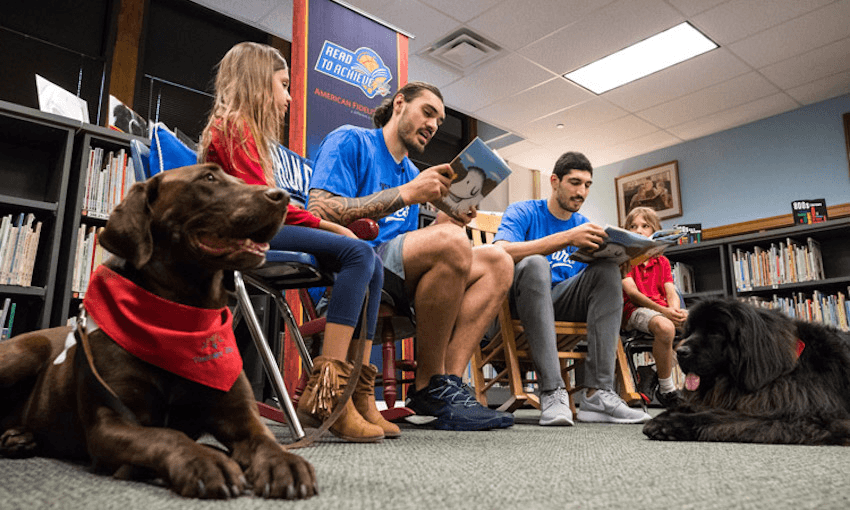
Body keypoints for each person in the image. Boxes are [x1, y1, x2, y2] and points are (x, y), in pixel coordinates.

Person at [198, 42, 395, 442]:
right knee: (358, 251)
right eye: (284, 86)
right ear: (256, 82)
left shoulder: (245, 132)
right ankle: (329, 394)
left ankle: (358, 393)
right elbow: (265, 204)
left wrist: (326, 226)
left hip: (260, 227)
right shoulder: (232, 125)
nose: (289, 97)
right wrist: (330, 226)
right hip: (245, 233)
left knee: (370, 260)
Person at [307, 81, 515, 431]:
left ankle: (446, 383)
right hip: (348, 269)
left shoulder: (411, 173)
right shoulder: (352, 140)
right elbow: (318, 210)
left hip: (395, 276)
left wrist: (454, 213)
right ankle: (429, 384)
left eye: (440, 121)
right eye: (428, 112)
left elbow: (418, 244)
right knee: (450, 242)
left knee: (499, 261)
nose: (434, 125)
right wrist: (407, 195)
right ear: (399, 104)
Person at [493, 151, 652, 426]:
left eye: (587, 185)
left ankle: (597, 394)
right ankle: (552, 391)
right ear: (554, 181)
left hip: (562, 304)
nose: (582, 192)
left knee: (606, 270)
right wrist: (565, 238)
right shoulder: (523, 211)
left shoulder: (585, 227)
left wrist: (619, 261)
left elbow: (592, 279)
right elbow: (500, 251)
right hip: (523, 301)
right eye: (575, 183)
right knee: (535, 264)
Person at [621, 206, 686, 408]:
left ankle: (652, 372)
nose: (638, 230)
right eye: (633, 226)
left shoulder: (662, 261)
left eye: (645, 226)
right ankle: (667, 390)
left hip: (662, 311)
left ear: (655, 230)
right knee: (666, 327)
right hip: (633, 312)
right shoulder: (624, 260)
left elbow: (671, 292)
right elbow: (633, 294)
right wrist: (665, 312)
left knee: (705, 329)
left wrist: (674, 310)